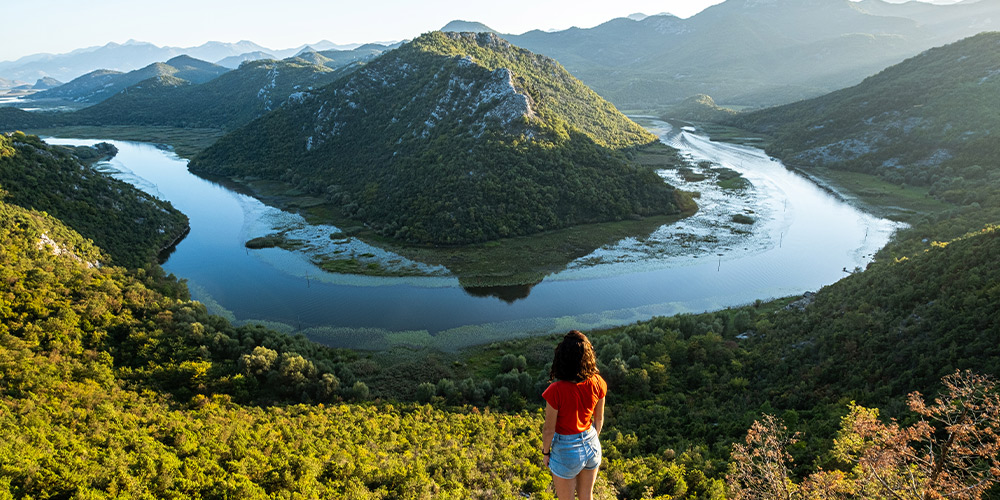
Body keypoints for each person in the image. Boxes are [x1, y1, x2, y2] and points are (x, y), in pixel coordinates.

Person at [541, 330, 607, 500]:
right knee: (587, 496)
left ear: (562, 358)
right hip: (592, 443)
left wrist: (546, 453)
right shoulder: (598, 382)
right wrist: (590, 440)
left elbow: (548, 430)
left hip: (566, 450)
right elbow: (599, 419)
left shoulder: (555, 391)